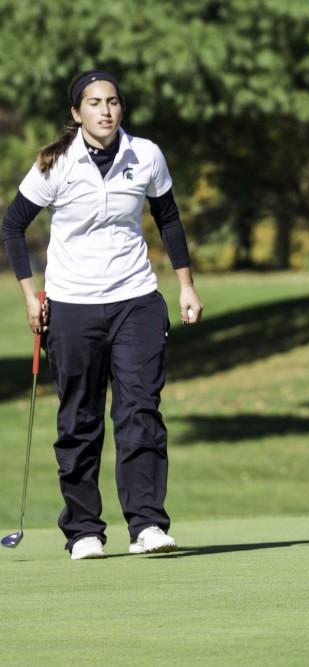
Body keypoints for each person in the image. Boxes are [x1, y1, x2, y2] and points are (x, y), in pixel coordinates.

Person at [1, 70, 203, 560]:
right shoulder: (55, 164)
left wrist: (186, 285)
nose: (105, 110)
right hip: (71, 306)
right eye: (94, 103)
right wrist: (32, 296)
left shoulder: (146, 155)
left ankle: (148, 525)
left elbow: (169, 218)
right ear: (76, 113)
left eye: (112, 101)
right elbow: (12, 224)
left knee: (140, 411)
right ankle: (84, 530)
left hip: (135, 298)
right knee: (79, 418)